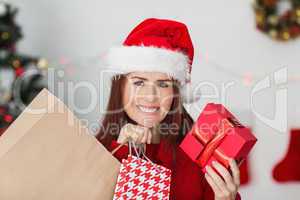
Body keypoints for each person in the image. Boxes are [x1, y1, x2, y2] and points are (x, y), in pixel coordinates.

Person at [96, 18, 241, 200]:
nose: (150, 96)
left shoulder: (200, 156)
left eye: (163, 84)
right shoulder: (94, 152)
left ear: (175, 92)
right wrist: (120, 153)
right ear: (121, 87)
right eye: (139, 82)